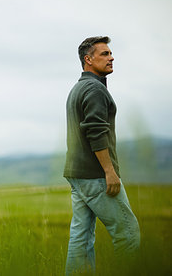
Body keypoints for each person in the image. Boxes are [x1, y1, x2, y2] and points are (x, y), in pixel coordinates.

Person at [63, 36, 140, 275]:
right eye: (104, 54)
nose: (111, 57)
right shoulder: (95, 89)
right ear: (88, 59)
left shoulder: (78, 88)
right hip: (96, 175)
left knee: (81, 238)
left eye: (111, 53)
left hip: (78, 174)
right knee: (128, 234)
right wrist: (109, 171)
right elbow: (96, 132)